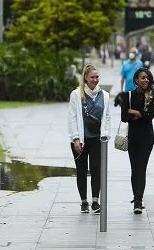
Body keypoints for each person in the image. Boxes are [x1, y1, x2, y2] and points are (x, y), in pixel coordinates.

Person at [68, 64, 111, 213]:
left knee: (96, 169)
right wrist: (75, 138)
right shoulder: (76, 94)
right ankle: (83, 201)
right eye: (92, 77)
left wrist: (105, 135)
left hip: (97, 140)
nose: (95, 80)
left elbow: (107, 116)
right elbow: (72, 117)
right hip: (81, 139)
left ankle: (95, 201)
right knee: (81, 170)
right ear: (85, 78)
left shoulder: (104, 95)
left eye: (97, 77)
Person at [120, 67, 154, 214]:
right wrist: (141, 114)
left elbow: (150, 116)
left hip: (147, 139)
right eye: (143, 77)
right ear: (136, 80)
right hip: (133, 138)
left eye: (147, 78)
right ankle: (136, 198)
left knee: (141, 169)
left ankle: (138, 200)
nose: (146, 80)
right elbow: (124, 117)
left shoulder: (152, 96)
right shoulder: (128, 96)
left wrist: (135, 112)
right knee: (135, 169)